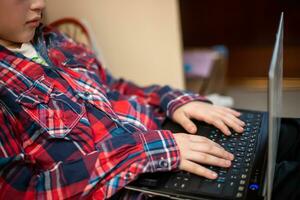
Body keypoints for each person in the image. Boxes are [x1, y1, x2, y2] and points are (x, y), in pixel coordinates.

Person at [0, 1, 298, 200]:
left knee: (279, 134)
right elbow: (24, 192)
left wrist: (173, 100)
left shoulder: (54, 40)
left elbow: (115, 86)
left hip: (168, 137)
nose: (39, 3)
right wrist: (146, 151)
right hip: (144, 182)